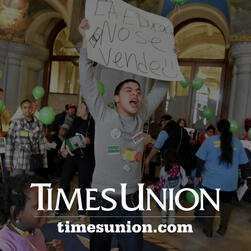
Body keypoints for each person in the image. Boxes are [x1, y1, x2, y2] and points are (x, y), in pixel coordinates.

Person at [78, 18, 174, 251]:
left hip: (131, 201)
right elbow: (88, 83)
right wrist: (85, 40)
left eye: (139, 92)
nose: (136, 94)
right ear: (116, 98)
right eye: (129, 90)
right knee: (99, 248)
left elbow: (160, 88)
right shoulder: (103, 115)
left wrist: (171, 60)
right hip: (102, 200)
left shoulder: (141, 116)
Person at [195, 119, 249, 237]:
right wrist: (244, 177)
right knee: (226, 204)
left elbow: (200, 160)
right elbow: (244, 163)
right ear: (229, 129)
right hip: (229, 182)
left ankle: (208, 229)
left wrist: (198, 175)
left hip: (211, 180)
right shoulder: (237, 143)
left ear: (217, 129)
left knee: (209, 204)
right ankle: (222, 228)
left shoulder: (209, 141)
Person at [0, 174, 64, 251]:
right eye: (39, 205)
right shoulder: (5, 245)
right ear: (17, 213)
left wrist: (48, 248)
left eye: (46, 202)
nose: (47, 208)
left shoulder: (34, 230)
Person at [57, 102, 95, 215]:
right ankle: (61, 207)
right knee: (64, 181)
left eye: (82, 107)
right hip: (72, 155)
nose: (79, 109)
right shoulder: (76, 120)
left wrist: (89, 141)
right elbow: (69, 136)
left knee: (83, 183)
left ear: (88, 110)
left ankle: (82, 210)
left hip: (86, 157)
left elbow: (98, 141)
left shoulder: (93, 122)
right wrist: (68, 147)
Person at [5, 99, 46, 176]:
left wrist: (43, 163)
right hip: (18, 161)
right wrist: (8, 163)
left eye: (29, 107)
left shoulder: (39, 124)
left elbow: (42, 143)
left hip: (32, 162)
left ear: (32, 109)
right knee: (16, 186)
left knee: (30, 186)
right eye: (25, 107)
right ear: (21, 109)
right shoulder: (15, 123)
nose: (27, 110)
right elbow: (9, 144)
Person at [154, 149, 187, 224]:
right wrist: (181, 186)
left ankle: (164, 223)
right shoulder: (180, 168)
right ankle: (171, 224)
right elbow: (184, 179)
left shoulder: (163, 170)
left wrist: (157, 189)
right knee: (172, 210)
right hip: (175, 193)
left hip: (164, 193)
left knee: (164, 209)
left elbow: (161, 182)